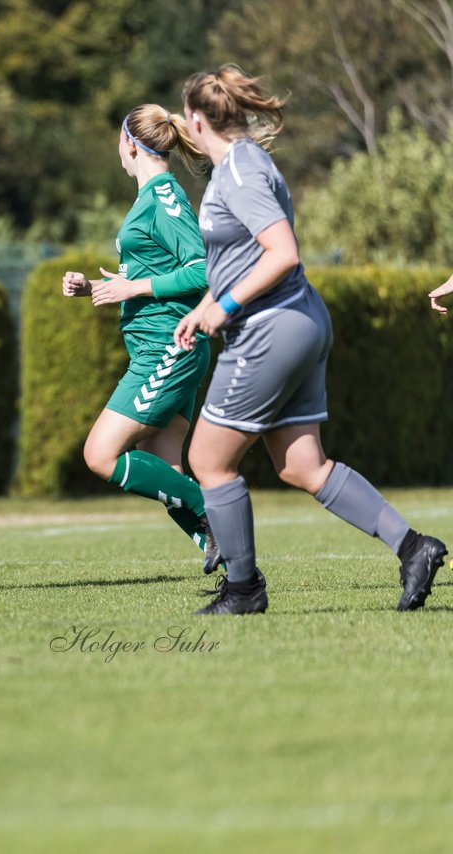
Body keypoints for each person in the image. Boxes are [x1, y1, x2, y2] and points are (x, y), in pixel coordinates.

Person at [174, 65, 446, 615]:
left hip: (270, 328)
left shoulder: (240, 172)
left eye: (186, 116)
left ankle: (243, 589)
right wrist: (207, 305)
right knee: (302, 466)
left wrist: (224, 306)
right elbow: (243, 257)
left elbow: (282, 252)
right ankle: (414, 547)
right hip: (294, 321)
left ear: (197, 120)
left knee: (208, 459)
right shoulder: (245, 163)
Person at [62, 104, 221, 575]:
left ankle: (221, 516)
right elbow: (157, 271)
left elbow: (201, 269)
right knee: (164, 470)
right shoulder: (149, 198)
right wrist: (98, 287)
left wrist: (133, 287)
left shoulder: (165, 196)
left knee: (100, 455)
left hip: (168, 347)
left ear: (129, 143)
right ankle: (236, 567)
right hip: (160, 346)